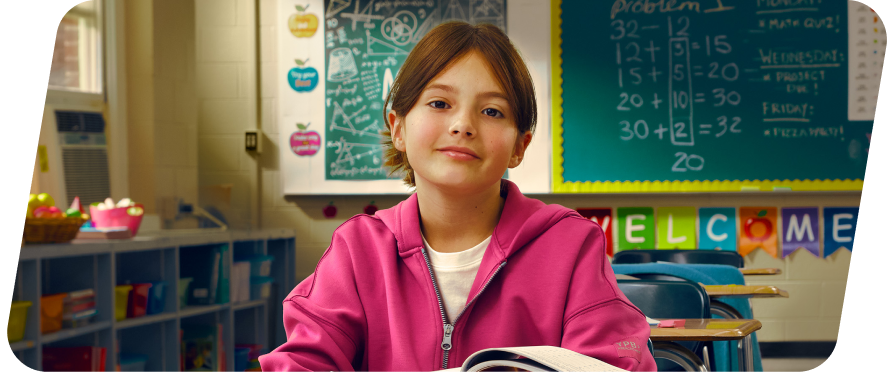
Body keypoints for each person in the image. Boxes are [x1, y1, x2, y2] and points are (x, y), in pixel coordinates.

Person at [259, 21, 657, 372]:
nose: (463, 124)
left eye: (492, 112)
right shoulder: (358, 250)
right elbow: (305, 360)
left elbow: (614, 361)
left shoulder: (571, 246)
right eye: (439, 103)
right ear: (398, 128)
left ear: (520, 146)